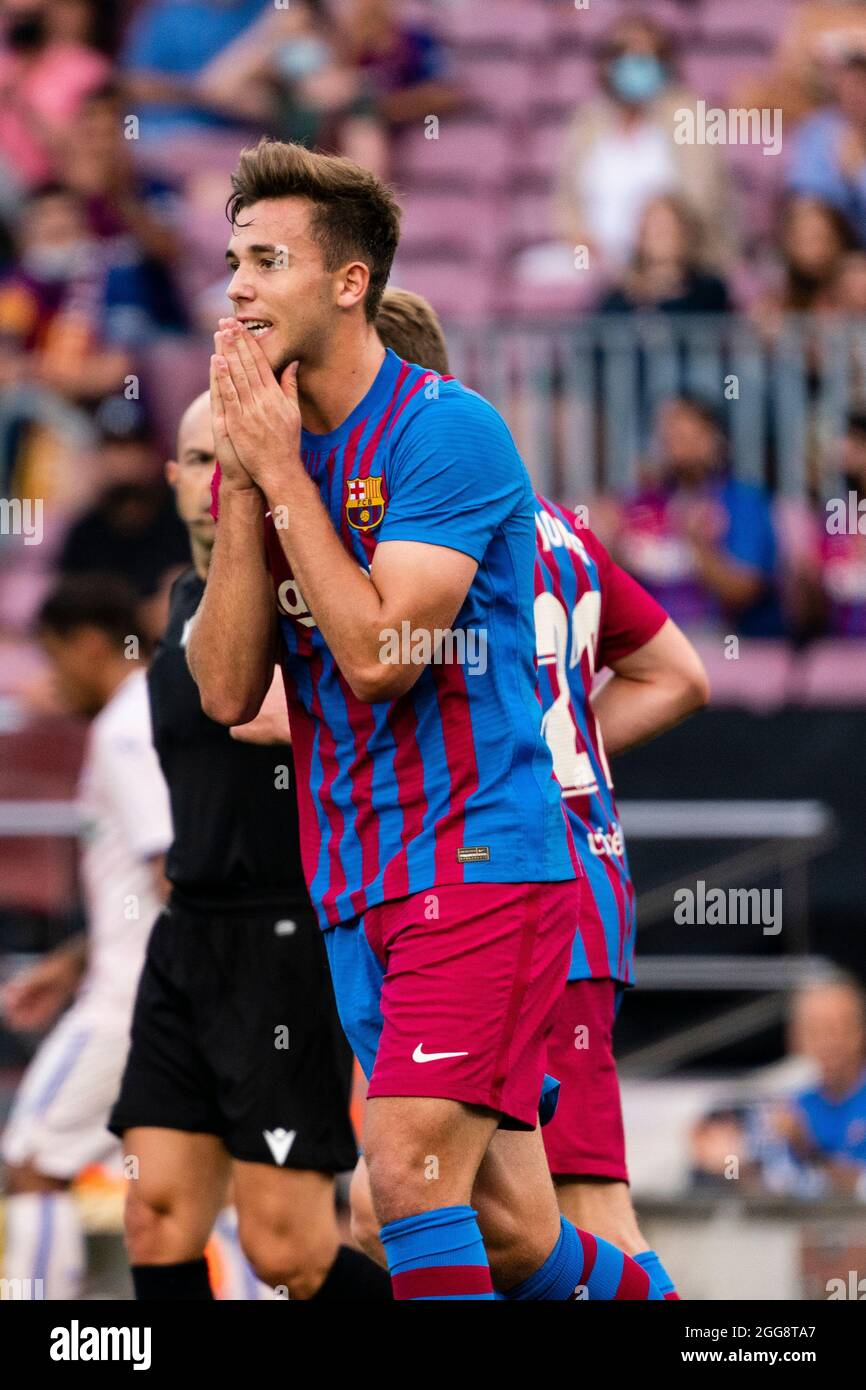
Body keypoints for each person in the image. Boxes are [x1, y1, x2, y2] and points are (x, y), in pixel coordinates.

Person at [189, 138, 668, 1301]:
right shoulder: (263, 449)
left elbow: (376, 656)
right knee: (509, 1229)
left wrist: (284, 483)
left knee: (400, 1179)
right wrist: (250, 483)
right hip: (355, 881)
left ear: (347, 282)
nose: (239, 284)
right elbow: (222, 690)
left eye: (267, 259)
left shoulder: (446, 431)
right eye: (232, 260)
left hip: (480, 857)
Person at [332, 287, 708, 1299]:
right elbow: (679, 673)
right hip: (551, 857)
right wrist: (568, 745)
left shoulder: (409, 524)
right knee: (426, 1204)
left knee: (574, 1206)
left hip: (512, 868)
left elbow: (372, 677)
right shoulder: (548, 525)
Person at [108, 389, 390, 1301]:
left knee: (287, 1253)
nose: (210, 479)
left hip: (283, 935)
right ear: (173, 476)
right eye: (196, 460)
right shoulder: (184, 601)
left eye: (228, 457)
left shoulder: (292, 591)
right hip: (185, 933)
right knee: (155, 1219)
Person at [0, 573, 172, 1299]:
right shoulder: (157, 712)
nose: (50, 676)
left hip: (128, 1005)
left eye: (53, 653)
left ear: (91, 644)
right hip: (156, 993)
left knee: (33, 1162)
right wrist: (68, 966)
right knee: (203, 1185)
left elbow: (172, 869)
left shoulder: (125, 731)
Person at [553, 11, 737, 274]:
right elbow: (566, 199)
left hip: (673, 258)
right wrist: (580, 238)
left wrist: (654, 243)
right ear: (608, 62)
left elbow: (702, 197)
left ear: (665, 62)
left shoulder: (688, 113)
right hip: (597, 259)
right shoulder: (589, 120)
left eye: (647, 56)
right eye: (626, 54)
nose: (636, 63)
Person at [613, 394, 783, 637]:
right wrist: (609, 549)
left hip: (726, 645)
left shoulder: (743, 502)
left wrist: (697, 545)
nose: (674, 446)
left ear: (715, 441)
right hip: (649, 644)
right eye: (668, 436)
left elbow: (744, 590)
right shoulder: (643, 504)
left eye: (685, 436)